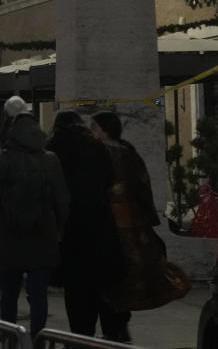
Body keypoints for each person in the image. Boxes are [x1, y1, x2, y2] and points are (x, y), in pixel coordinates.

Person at [92, 110, 189, 342]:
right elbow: (144, 189)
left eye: (95, 128)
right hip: (133, 226)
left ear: (104, 130)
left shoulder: (103, 155)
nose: (92, 133)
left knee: (114, 275)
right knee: (124, 273)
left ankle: (115, 323)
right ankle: (119, 324)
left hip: (116, 226)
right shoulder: (130, 154)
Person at [0, 110, 69, 336]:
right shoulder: (50, 161)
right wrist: (61, 230)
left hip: (8, 235)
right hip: (43, 234)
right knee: (38, 295)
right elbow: (62, 200)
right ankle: (38, 338)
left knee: (9, 293)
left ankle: (10, 336)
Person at [46, 110, 124, 337]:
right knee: (104, 291)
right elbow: (110, 182)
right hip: (100, 229)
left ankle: (80, 338)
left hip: (69, 232)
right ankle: (111, 337)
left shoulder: (52, 149)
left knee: (77, 297)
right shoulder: (98, 148)